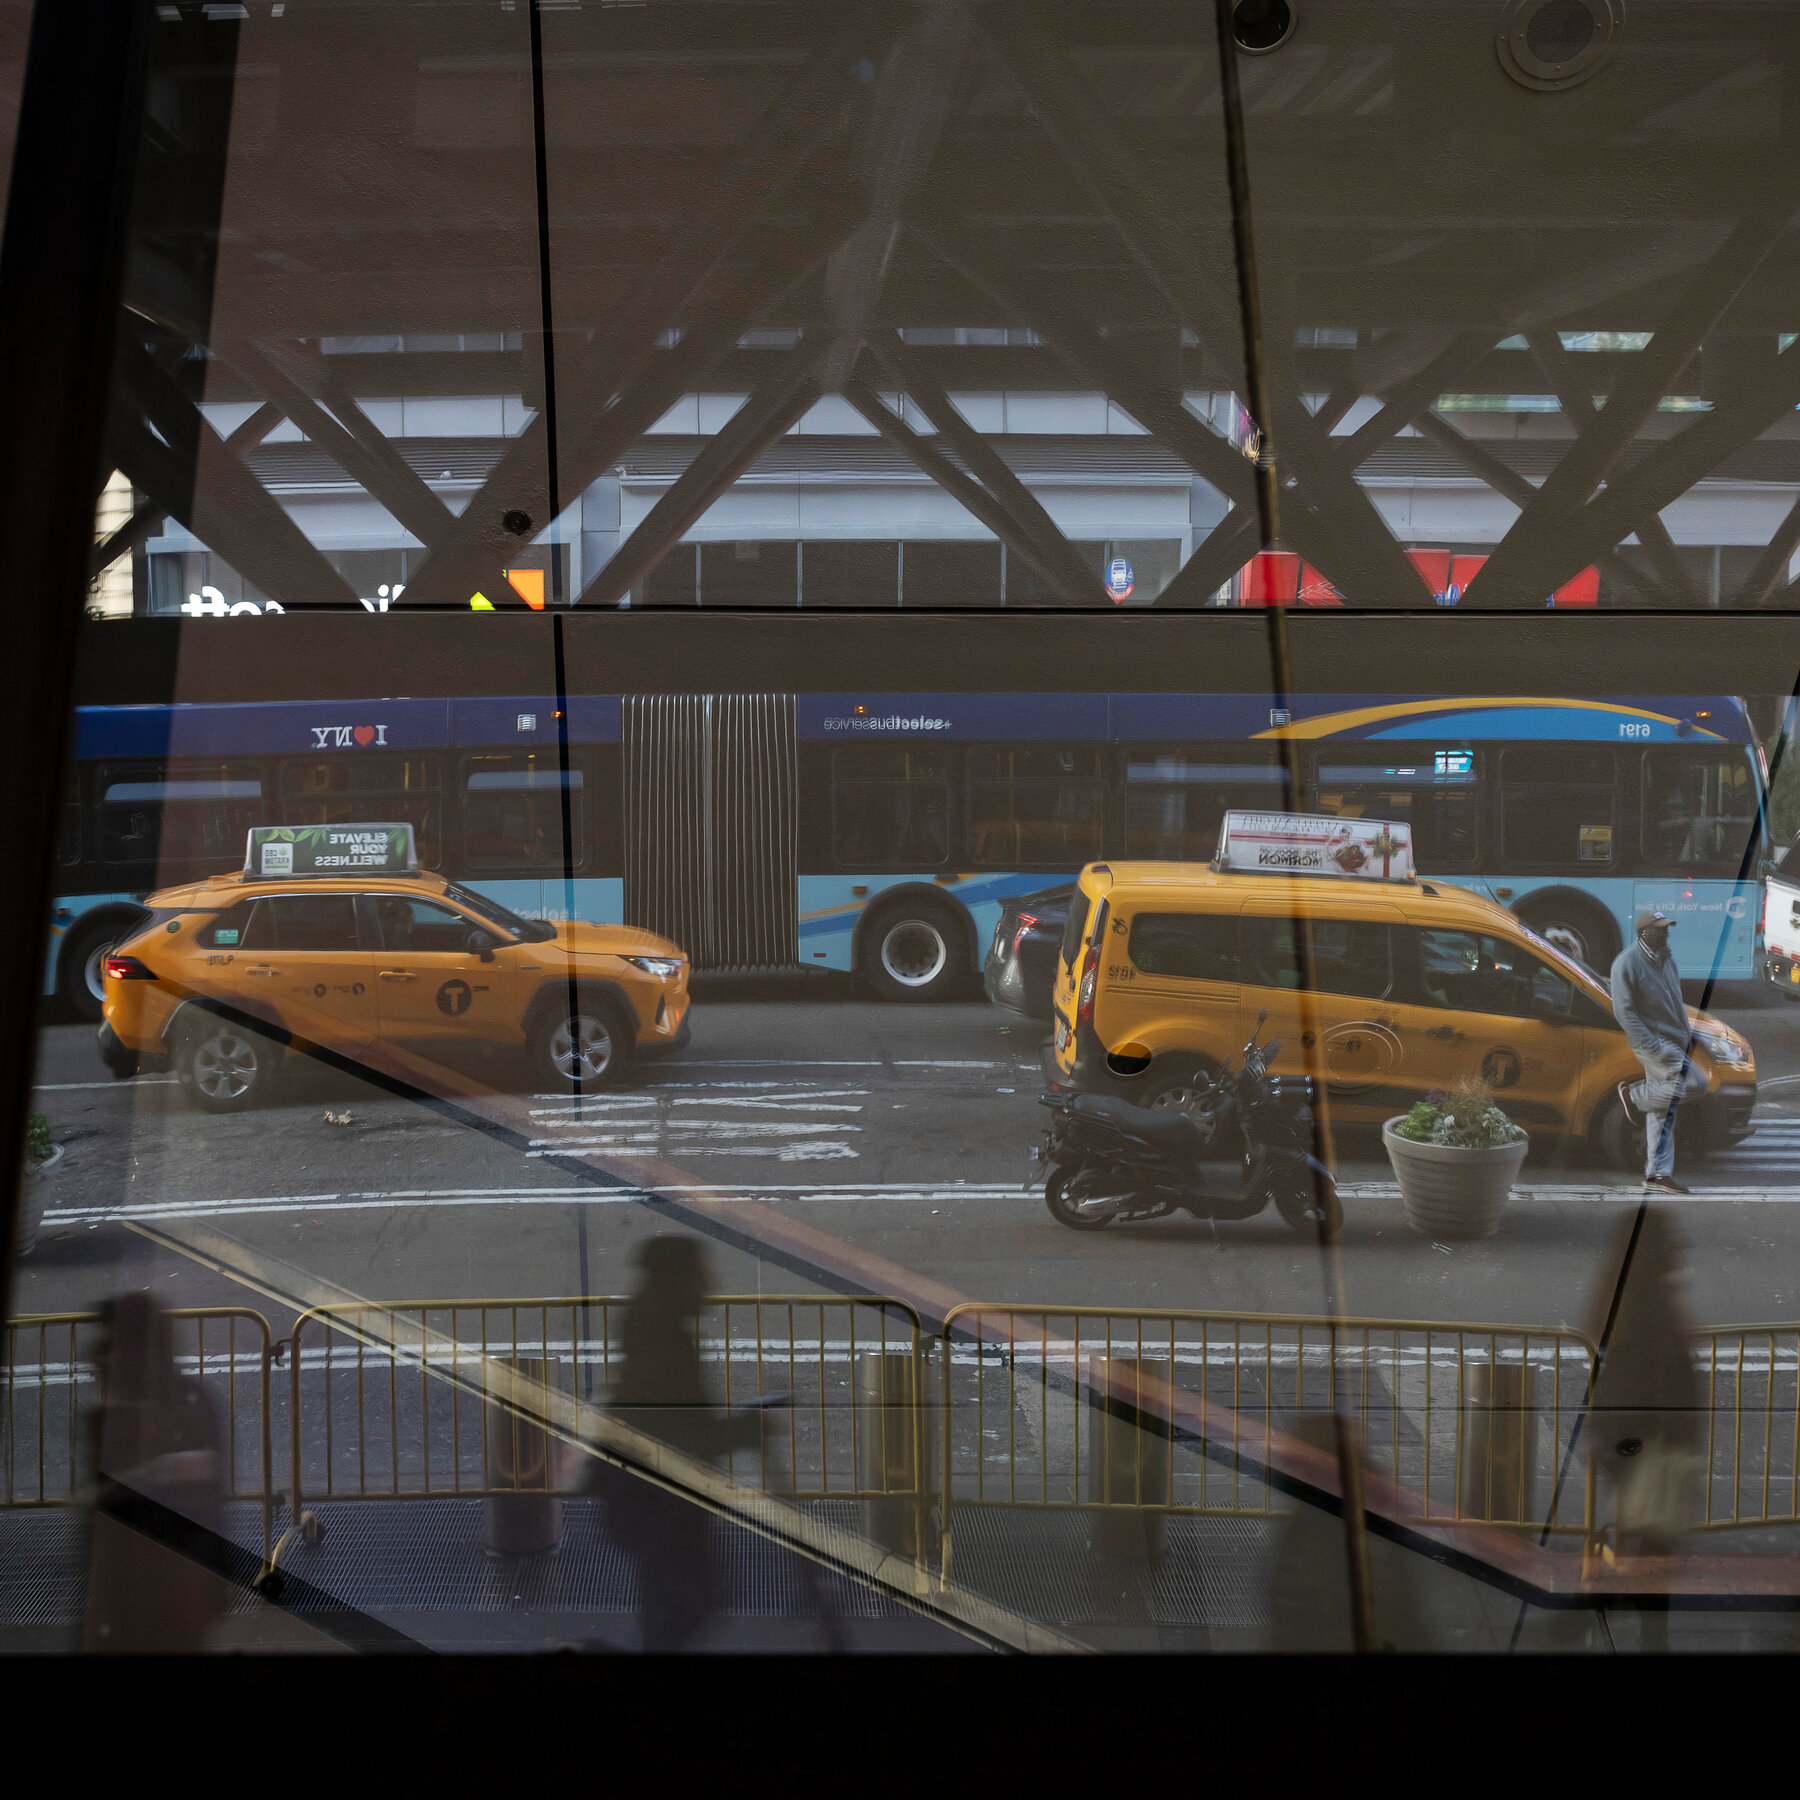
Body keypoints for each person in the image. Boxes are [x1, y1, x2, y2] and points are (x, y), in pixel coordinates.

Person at [1610, 908, 1704, 1195]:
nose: (1665, 933)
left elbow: (1674, 1000)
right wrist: (1650, 1043)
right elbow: (1623, 1010)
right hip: (1655, 1043)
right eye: (1660, 929)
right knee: (1696, 1083)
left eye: (1666, 928)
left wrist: (1685, 1035)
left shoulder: (1666, 958)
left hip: (1672, 1040)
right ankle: (1634, 1096)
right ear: (1643, 933)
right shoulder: (1627, 963)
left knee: (1661, 1111)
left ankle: (1657, 1175)